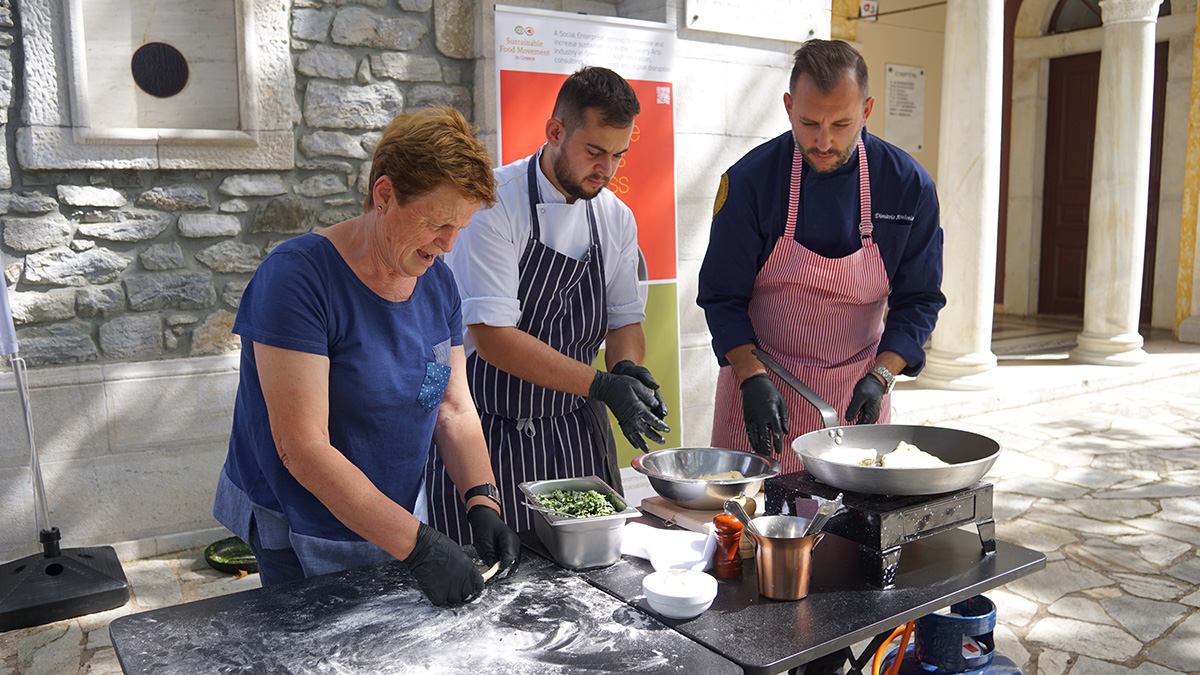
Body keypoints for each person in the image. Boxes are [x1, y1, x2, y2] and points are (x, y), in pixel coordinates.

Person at [212, 107, 521, 607]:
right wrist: (418, 546)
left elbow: (453, 406)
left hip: (388, 511)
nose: (448, 244)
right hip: (300, 518)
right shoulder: (297, 279)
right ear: (384, 194)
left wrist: (482, 499)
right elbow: (302, 448)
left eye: (460, 227)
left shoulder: (437, 283)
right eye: (438, 223)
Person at [425, 66, 670, 541]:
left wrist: (625, 370)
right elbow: (494, 339)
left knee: (591, 581)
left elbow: (624, 322)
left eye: (618, 155)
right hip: (492, 430)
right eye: (594, 152)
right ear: (555, 131)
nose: (606, 170)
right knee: (489, 582)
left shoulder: (616, 217)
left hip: (576, 432)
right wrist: (601, 384)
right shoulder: (495, 206)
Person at [698, 39, 945, 471]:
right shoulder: (750, 182)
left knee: (849, 531)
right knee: (750, 530)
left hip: (857, 393)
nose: (824, 141)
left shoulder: (908, 187)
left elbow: (920, 299)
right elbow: (722, 296)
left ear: (867, 110)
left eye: (842, 124)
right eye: (809, 123)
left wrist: (882, 376)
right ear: (789, 106)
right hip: (757, 390)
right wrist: (751, 378)